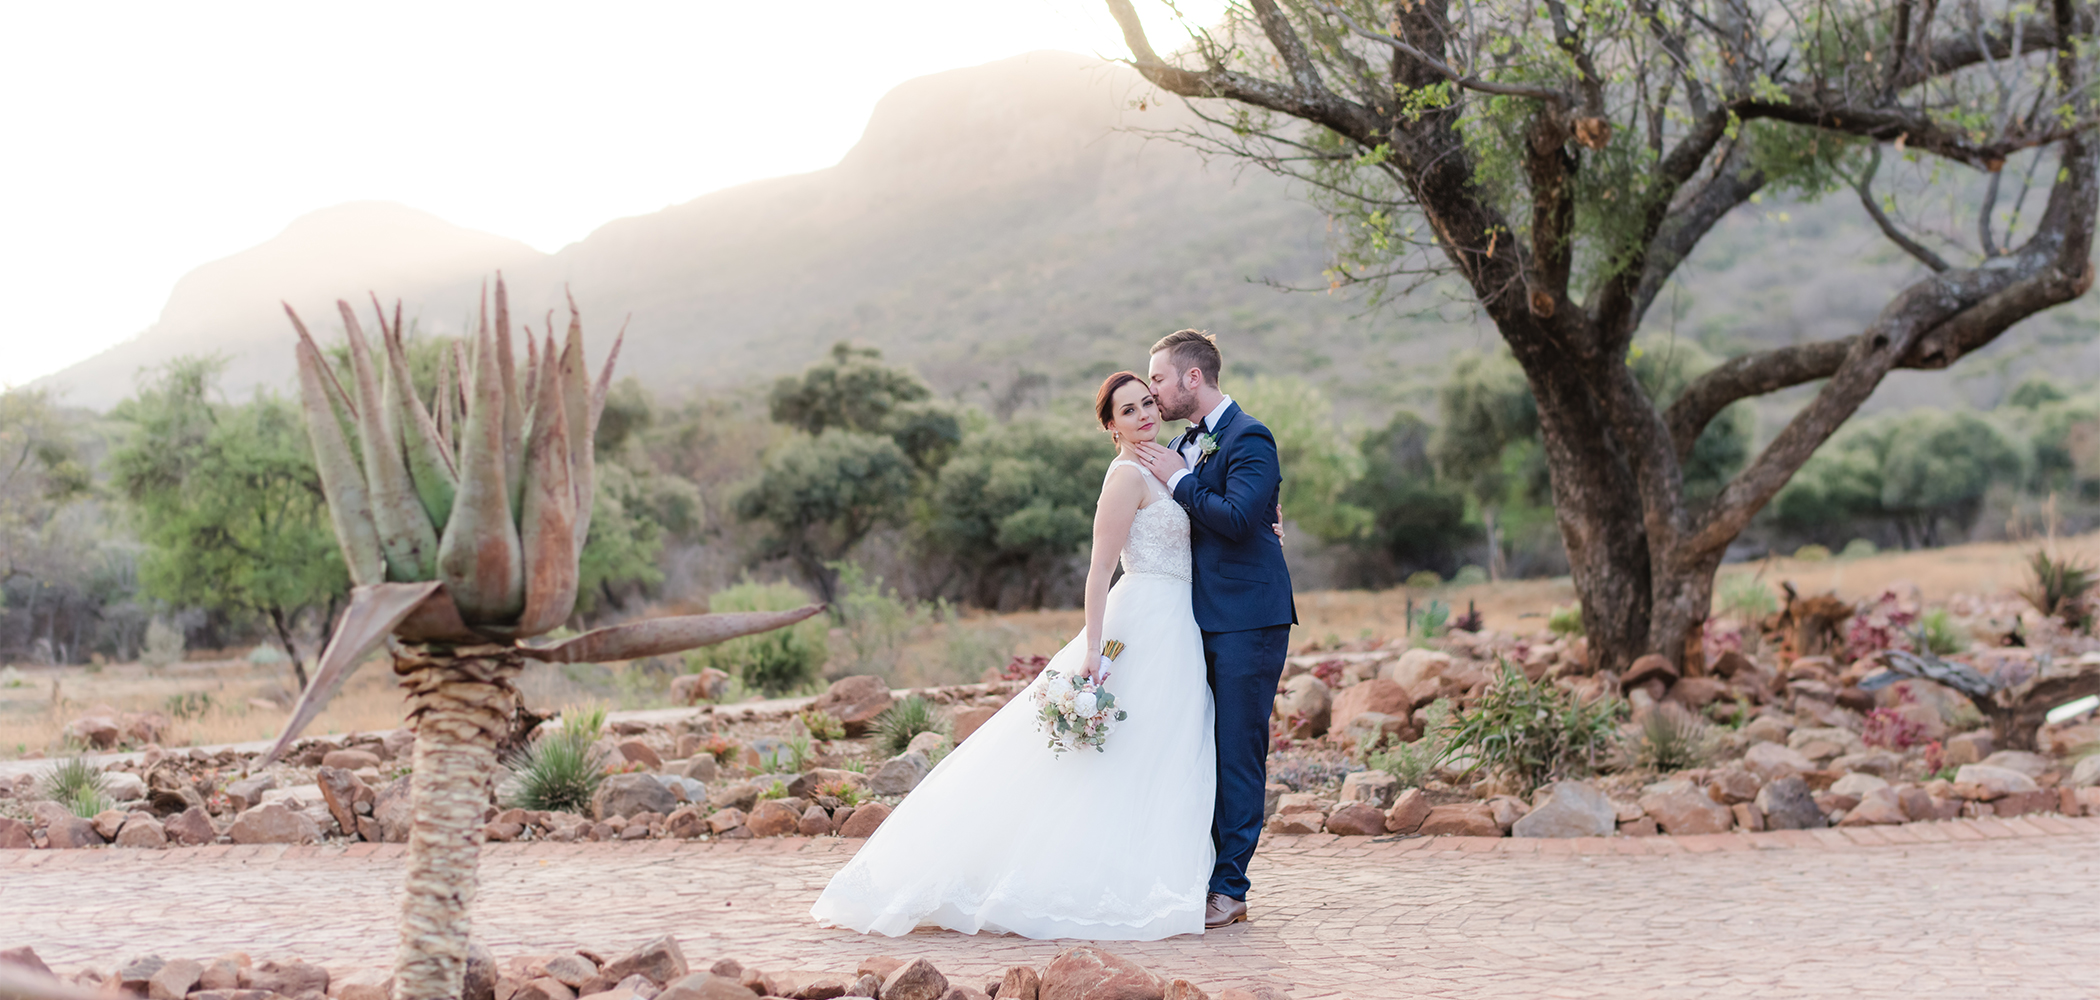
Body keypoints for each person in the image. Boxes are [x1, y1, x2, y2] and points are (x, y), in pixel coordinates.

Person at [808, 371, 1219, 940]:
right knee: (1120, 751)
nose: (1144, 414)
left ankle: (1155, 873)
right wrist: (1093, 648)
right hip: (1142, 621)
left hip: (1178, 623)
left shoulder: (1169, 464)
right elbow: (1100, 569)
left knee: (1163, 748)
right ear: (1111, 425)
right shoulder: (1126, 477)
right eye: (1128, 410)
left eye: (1148, 402)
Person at [1132, 329, 1296, 929]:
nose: (1153, 390)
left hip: (1248, 619)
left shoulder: (1251, 435)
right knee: (1194, 745)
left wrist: (1181, 480)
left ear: (1192, 377)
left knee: (1237, 751)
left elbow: (1236, 517)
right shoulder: (1182, 442)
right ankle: (1190, 874)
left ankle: (1229, 888)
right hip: (1191, 618)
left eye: (1158, 378)